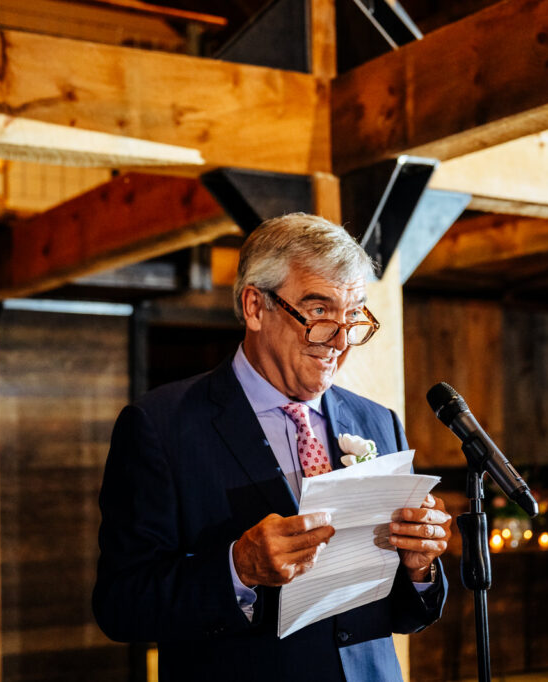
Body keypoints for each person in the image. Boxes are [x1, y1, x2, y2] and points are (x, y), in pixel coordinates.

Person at [93, 213, 452, 681]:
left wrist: (419, 567)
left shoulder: (378, 422)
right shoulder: (161, 426)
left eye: (353, 317)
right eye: (319, 312)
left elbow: (401, 615)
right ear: (255, 307)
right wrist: (237, 569)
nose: (340, 342)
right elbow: (121, 604)